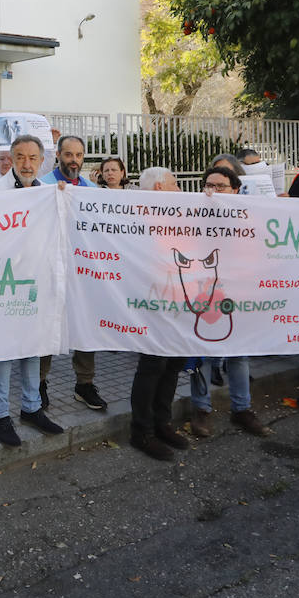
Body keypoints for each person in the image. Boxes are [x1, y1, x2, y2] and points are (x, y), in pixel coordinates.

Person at [0, 134, 65, 445]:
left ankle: (31, 407)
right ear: (12, 159)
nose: (26, 163)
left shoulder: (49, 193)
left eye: (32, 158)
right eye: (20, 157)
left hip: (37, 283)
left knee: (33, 345)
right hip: (6, 284)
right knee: (3, 349)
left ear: (42, 161)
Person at [186, 167, 268, 437]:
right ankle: (201, 409)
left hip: (238, 293)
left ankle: (241, 409)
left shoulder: (249, 219)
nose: (213, 191)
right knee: (202, 353)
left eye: (220, 186)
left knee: (238, 353)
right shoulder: (193, 216)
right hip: (204, 292)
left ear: (235, 190)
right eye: (208, 185)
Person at [34, 135, 107, 409]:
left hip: (82, 273)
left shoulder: (90, 189)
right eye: (68, 155)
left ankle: (84, 384)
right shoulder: (43, 186)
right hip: (50, 270)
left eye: (78, 155)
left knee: (85, 327)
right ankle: (38, 386)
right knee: (48, 329)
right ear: (58, 156)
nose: (74, 160)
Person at [127, 166, 189, 460]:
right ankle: (142, 431)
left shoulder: (177, 213)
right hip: (153, 302)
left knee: (173, 363)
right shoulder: (137, 214)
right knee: (152, 366)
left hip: (177, 298)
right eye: (175, 184)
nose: (180, 189)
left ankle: (162, 422)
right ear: (161, 188)